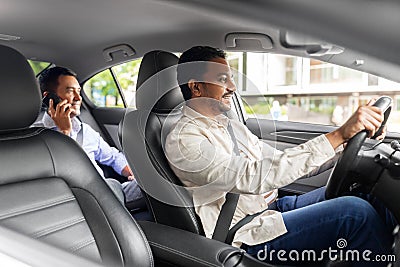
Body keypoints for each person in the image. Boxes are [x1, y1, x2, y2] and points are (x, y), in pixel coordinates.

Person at [165, 46, 396, 266]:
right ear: (196, 87)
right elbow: (252, 176)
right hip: (247, 233)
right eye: (223, 79)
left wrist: (347, 145)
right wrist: (337, 134)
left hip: (273, 208)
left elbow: (281, 161)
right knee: (355, 214)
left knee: (367, 192)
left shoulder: (230, 126)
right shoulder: (184, 140)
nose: (233, 87)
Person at [38, 66, 143, 206]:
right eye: (70, 91)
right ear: (49, 98)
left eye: (79, 91)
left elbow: (113, 157)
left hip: (108, 193)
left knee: (154, 184)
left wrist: (134, 174)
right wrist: (65, 132)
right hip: (76, 202)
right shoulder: (36, 137)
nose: (78, 98)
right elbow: (61, 176)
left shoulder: (84, 130)